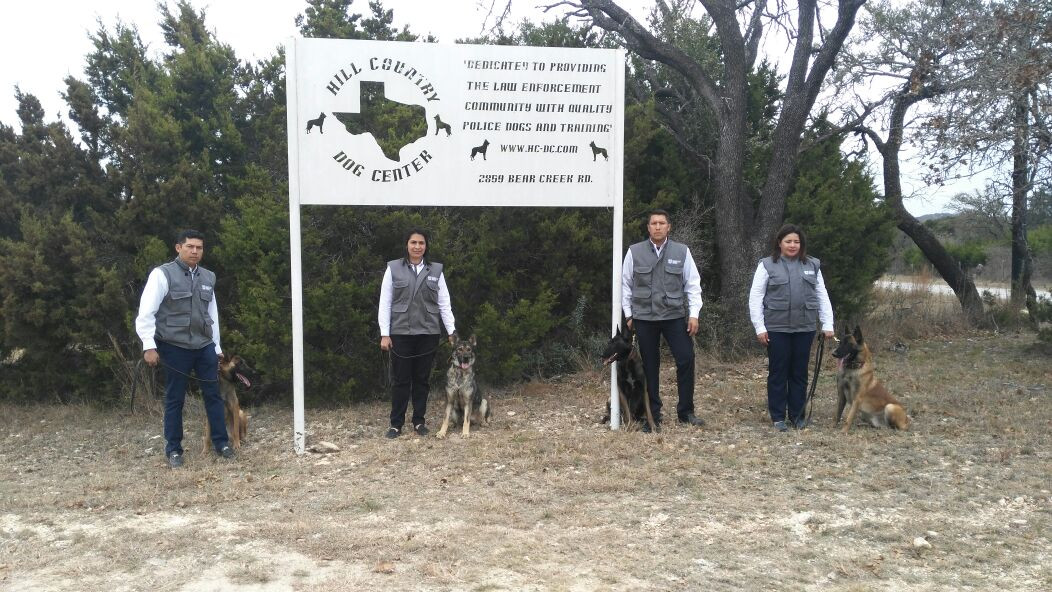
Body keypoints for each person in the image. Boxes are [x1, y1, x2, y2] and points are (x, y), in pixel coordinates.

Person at [136, 229, 233, 468]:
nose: (195, 251)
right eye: (190, 246)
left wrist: (217, 346)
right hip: (174, 347)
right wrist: (149, 346)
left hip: (204, 347)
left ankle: (222, 444)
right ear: (178, 248)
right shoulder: (162, 275)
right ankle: (174, 450)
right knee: (174, 399)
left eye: (199, 247)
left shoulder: (208, 277)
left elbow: (212, 315)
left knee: (213, 395)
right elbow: (146, 313)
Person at [621, 209, 706, 432]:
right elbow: (626, 285)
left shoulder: (682, 251)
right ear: (648, 228)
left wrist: (694, 314)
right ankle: (653, 415)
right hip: (645, 318)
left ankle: (686, 412)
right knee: (649, 366)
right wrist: (629, 314)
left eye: (662, 223)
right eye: (653, 223)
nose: (658, 227)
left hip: (674, 316)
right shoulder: (634, 252)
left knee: (686, 359)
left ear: (669, 227)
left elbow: (693, 284)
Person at [749, 223, 834, 432]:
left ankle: (798, 416)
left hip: (804, 328)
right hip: (777, 328)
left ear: (801, 244)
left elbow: (822, 295)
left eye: (796, 241)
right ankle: (778, 416)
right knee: (778, 373)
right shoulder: (767, 265)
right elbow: (755, 297)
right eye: (788, 241)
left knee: (799, 373)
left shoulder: (812, 265)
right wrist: (759, 327)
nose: (793, 245)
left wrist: (827, 323)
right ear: (780, 243)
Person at [378, 227, 456, 439]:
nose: (417, 246)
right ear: (407, 244)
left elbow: (444, 303)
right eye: (413, 242)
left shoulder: (436, 271)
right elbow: (385, 302)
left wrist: (451, 331)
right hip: (400, 333)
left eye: (421, 243)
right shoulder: (393, 268)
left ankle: (419, 421)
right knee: (401, 380)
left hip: (428, 333)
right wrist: (385, 333)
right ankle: (396, 424)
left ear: (426, 246)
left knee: (422, 380)